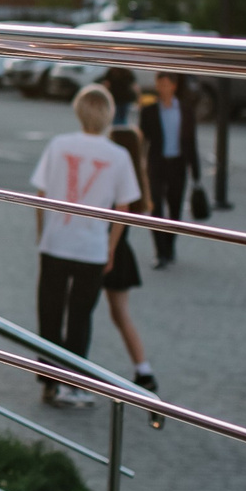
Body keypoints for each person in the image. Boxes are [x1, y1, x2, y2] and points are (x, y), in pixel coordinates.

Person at [29, 84, 140, 409]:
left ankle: (49, 379)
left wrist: (42, 232)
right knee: (80, 317)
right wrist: (112, 247)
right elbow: (124, 208)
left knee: (49, 312)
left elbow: (41, 194)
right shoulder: (118, 156)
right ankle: (74, 382)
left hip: (56, 242)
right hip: (92, 247)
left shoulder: (59, 145)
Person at [101, 124, 157, 393]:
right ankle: (144, 369)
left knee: (83, 312)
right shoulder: (135, 180)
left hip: (105, 249)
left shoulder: (113, 178)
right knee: (120, 314)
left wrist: (108, 249)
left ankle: (72, 369)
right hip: (123, 253)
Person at [135, 70, 200, 268]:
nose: (161, 88)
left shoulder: (186, 111)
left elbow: (191, 143)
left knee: (175, 209)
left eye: (164, 84)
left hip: (178, 165)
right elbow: (142, 141)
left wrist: (196, 173)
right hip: (156, 164)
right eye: (158, 84)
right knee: (156, 208)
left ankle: (170, 247)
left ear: (173, 86)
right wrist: (139, 167)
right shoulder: (148, 111)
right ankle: (160, 252)